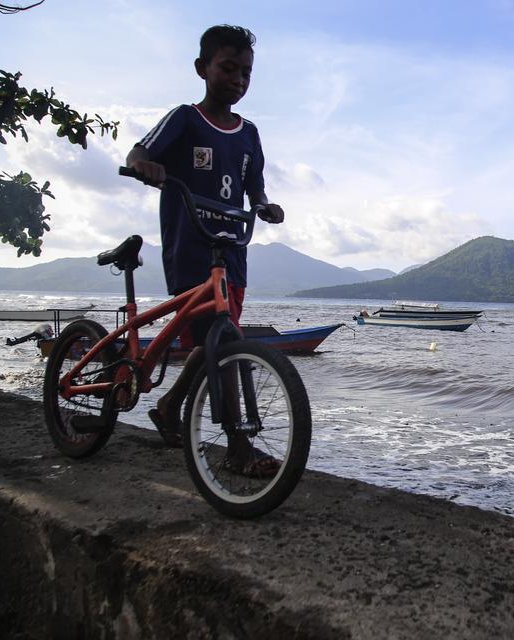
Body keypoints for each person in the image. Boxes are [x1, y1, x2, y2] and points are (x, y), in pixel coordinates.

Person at [126, 25, 284, 476]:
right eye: (228, 68)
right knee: (222, 340)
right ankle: (237, 446)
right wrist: (144, 166)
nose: (238, 79)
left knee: (218, 339)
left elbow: (254, 185)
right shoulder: (186, 118)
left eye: (246, 72)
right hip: (191, 247)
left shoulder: (250, 133)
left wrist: (263, 206)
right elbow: (140, 151)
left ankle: (169, 406)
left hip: (232, 248)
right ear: (203, 69)